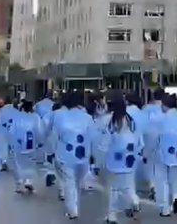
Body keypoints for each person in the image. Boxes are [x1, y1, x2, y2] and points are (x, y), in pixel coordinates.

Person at [102, 95, 143, 223]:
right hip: (130, 158)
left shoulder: (109, 120)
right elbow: (140, 141)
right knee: (128, 186)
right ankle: (134, 200)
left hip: (115, 160)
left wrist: (99, 158)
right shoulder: (131, 121)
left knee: (114, 189)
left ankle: (112, 215)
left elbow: (105, 142)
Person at [53, 92, 94, 220]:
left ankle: (73, 210)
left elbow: (53, 135)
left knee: (69, 182)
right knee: (76, 181)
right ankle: (73, 205)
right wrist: (92, 155)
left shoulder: (58, 115)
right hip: (83, 156)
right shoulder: (87, 117)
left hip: (65, 154)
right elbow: (93, 138)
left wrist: (50, 151)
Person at [154, 92, 177, 217]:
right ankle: (176, 197)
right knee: (176, 177)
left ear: (164, 106)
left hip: (163, 153)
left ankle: (164, 208)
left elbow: (156, 137)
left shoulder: (161, 119)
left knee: (162, 180)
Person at [9, 100, 41, 193]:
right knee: (30, 163)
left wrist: (12, 143)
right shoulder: (35, 117)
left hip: (18, 144)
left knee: (18, 164)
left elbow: (11, 131)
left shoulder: (16, 117)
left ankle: (19, 184)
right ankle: (28, 181)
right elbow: (39, 130)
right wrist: (40, 142)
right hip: (31, 144)